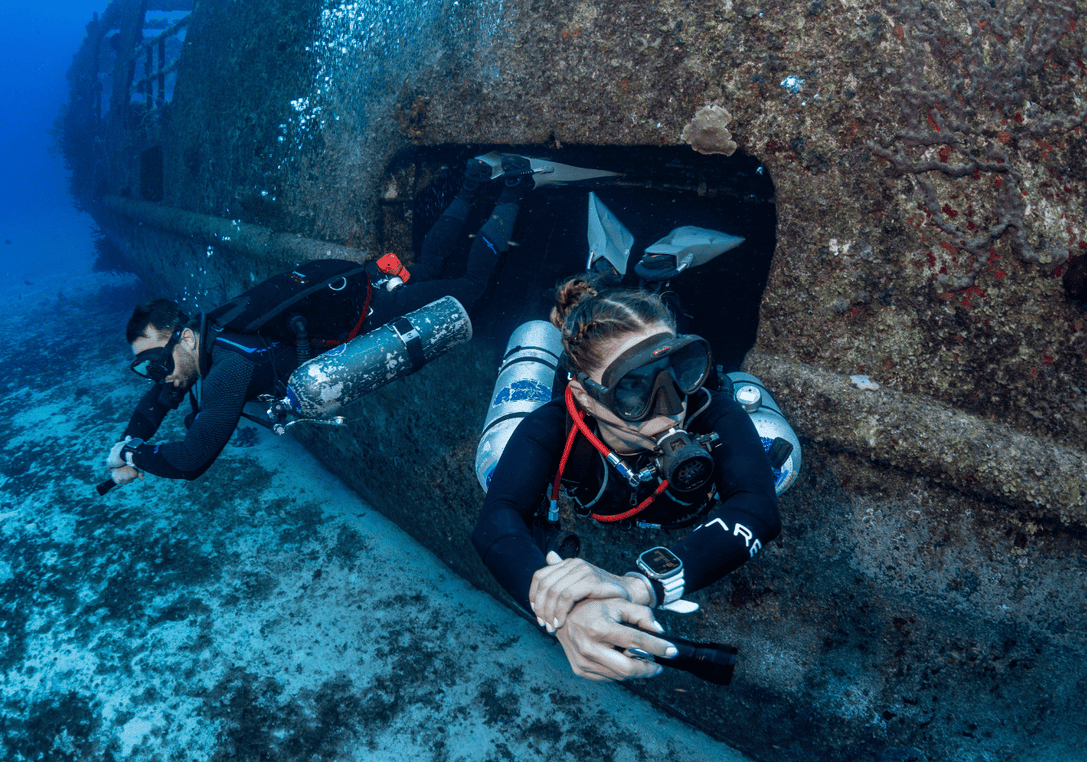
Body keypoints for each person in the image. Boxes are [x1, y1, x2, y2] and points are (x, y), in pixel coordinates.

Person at [104, 156, 536, 487]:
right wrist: (125, 442)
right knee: (426, 267)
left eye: (157, 363)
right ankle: (472, 182)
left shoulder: (229, 368)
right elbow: (159, 399)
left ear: (184, 337)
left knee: (472, 286)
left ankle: (515, 188)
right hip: (361, 294)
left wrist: (134, 457)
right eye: (148, 368)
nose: (158, 376)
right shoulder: (208, 335)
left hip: (371, 312)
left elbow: (190, 460)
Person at [471, 274, 781, 681]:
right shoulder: (553, 428)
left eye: (677, 370)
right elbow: (497, 521)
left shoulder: (713, 412)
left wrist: (639, 586)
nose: (671, 407)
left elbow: (757, 508)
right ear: (586, 397)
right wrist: (568, 614)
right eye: (632, 387)